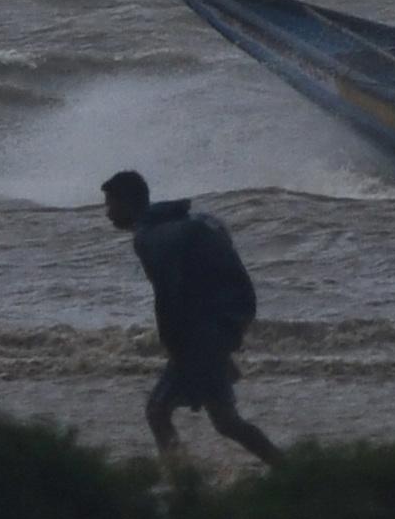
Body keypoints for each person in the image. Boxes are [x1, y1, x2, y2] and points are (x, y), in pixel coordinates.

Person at [100, 169, 282, 466]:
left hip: (205, 329)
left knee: (160, 411)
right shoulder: (182, 221)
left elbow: (169, 298)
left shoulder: (148, 238)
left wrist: (174, 346)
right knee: (225, 421)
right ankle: (289, 470)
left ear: (127, 203)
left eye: (110, 204)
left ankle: (179, 481)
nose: (107, 213)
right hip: (229, 315)